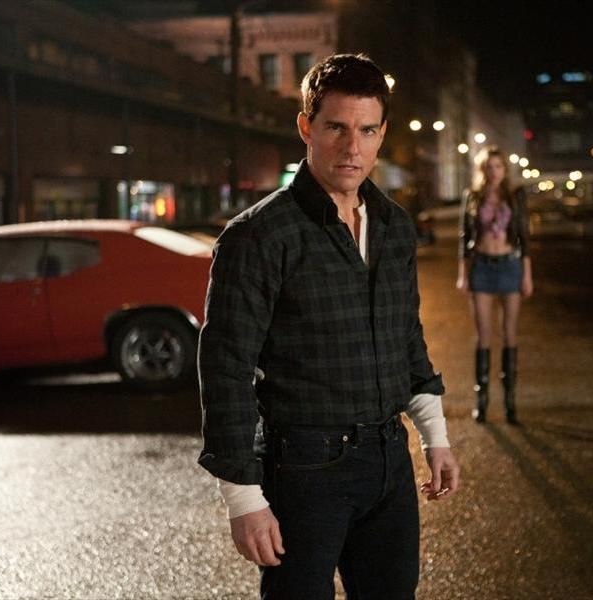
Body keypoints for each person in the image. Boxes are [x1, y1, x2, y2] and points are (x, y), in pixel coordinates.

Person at [197, 53, 460, 600]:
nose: (352, 147)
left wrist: (435, 437)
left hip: (389, 458)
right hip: (304, 468)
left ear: (382, 133)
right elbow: (226, 369)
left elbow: (406, 339)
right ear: (306, 127)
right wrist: (243, 498)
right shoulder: (258, 235)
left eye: (367, 130)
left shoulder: (393, 226)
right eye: (336, 127)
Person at [456, 145, 533, 424]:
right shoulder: (473, 196)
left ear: (505, 169)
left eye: (498, 166)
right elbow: (464, 236)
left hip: (511, 266)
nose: (494, 171)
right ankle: (483, 401)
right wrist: (463, 273)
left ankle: (510, 403)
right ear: (482, 170)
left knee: (509, 334)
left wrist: (527, 275)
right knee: (483, 336)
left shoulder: (515, 195)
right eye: (489, 167)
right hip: (482, 267)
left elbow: (524, 236)